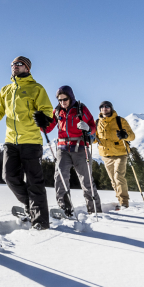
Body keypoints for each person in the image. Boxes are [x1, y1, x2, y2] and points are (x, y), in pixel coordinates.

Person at [0, 56, 54, 230]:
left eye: (19, 64)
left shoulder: (37, 88)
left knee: (34, 182)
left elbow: (47, 111)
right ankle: (31, 206)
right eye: (12, 64)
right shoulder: (6, 90)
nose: (14, 66)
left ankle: (40, 223)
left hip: (31, 140)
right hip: (11, 141)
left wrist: (43, 118)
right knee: (9, 177)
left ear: (27, 68)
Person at [43, 86, 102, 218]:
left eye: (65, 99)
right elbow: (47, 129)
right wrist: (41, 122)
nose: (62, 102)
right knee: (60, 179)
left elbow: (93, 127)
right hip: (62, 149)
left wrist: (87, 128)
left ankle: (94, 210)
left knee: (86, 180)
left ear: (71, 97)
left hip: (80, 148)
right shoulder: (57, 111)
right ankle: (65, 209)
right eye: (60, 100)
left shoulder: (81, 109)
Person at [95, 101, 135, 209]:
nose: (105, 108)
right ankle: (119, 199)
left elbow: (132, 136)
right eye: (102, 107)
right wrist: (88, 135)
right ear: (100, 110)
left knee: (118, 177)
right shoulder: (97, 122)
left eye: (107, 106)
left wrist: (125, 135)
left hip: (120, 154)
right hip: (106, 155)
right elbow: (94, 140)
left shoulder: (120, 120)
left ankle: (124, 203)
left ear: (111, 108)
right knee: (113, 180)